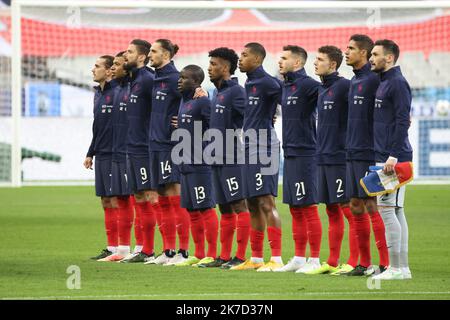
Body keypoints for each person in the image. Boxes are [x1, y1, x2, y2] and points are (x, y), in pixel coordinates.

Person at [230, 43, 283, 272]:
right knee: (251, 203)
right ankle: (257, 258)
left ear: (258, 59)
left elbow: (291, 99)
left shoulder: (268, 82)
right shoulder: (249, 82)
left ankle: (277, 259)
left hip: (265, 146)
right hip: (248, 146)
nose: (240, 59)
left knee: (265, 201)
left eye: (244, 55)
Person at [198, 47, 251, 269]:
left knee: (239, 204)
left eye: (214, 64)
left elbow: (249, 117)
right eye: (209, 64)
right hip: (216, 157)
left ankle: (240, 256)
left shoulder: (236, 91)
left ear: (226, 67)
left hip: (232, 156)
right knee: (224, 207)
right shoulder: (216, 93)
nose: (209, 68)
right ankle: (224, 256)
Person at [343, 34, 390, 276]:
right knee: (355, 205)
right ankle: (364, 263)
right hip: (351, 151)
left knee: (372, 204)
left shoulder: (373, 80)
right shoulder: (354, 81)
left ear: (363, 53)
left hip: (368, 152)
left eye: (350, 48)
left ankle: (385, 263)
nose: (346, 52)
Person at [275, 45, 323, 273]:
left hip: (306, 153)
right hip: (291, 153)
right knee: (295, 207)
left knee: (308, 207)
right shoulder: (285, 86)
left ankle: (315, 259)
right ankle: (298, 257)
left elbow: (337, 94)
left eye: (284, 58)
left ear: (298, 63)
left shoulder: (310, 86)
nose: (279, 61)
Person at [305, 46, 350, 275]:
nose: (315, 63)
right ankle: (332, 262)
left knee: (349, 209)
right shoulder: (322, 88)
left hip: (339, 157)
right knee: (331, 209)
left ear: (332, 64)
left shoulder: (344, 86)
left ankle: (356, 261)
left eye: (320, 60)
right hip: (322, 155)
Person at [369, 39, 413, 280]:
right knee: (395, 210)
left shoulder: (397, 83)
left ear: (389, 58)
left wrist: (393, 155)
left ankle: (396, 268)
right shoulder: (384, 82)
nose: (371, 58)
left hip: (393, 158)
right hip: (387, 156)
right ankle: (402, 267)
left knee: (386, 209)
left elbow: (402, 120)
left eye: (375, 55)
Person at [146, 39, 191, 266]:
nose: (149, 54)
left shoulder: (175, 78)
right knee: (161, 198)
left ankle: (183, 251)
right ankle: (168, 250)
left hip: (170, 145)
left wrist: (182, 120)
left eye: (153, 51)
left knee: (175, 196)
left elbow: (195, 99)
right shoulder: (156, 78)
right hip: (154, 144)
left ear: (165, 55)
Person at [171, 65, 219, 267]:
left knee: (206, 208)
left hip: (200, 164)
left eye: (184, 78)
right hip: (185, 163)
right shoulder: (185, 101)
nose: (180, 80)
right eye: (180, 77)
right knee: (191, 209)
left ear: (196, 82)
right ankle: (198, 253)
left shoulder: (203, 102)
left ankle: (212, 253)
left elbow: (214, 128)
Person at [119, 39, 159, 264]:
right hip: (131, 147)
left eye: (130, 51)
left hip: (145, 148)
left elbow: (172, 96)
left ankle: (154, 250)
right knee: (139, 197)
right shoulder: (133, 80)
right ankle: (144, 247)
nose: (126, 55)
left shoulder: (148, 80)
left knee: (150, 196)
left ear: (142, 57)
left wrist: (196, 93)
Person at [84, 55, 118, 260]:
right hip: (102, 153)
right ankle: (111, 247)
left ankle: (123, 247)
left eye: (97, 66)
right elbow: (98, 127)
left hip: (117, 153)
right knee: (105, 200)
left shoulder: (118, 93)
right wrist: (91, 152)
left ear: (108, 71)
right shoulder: (98, 94)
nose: (92, 70)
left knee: (117, 200)